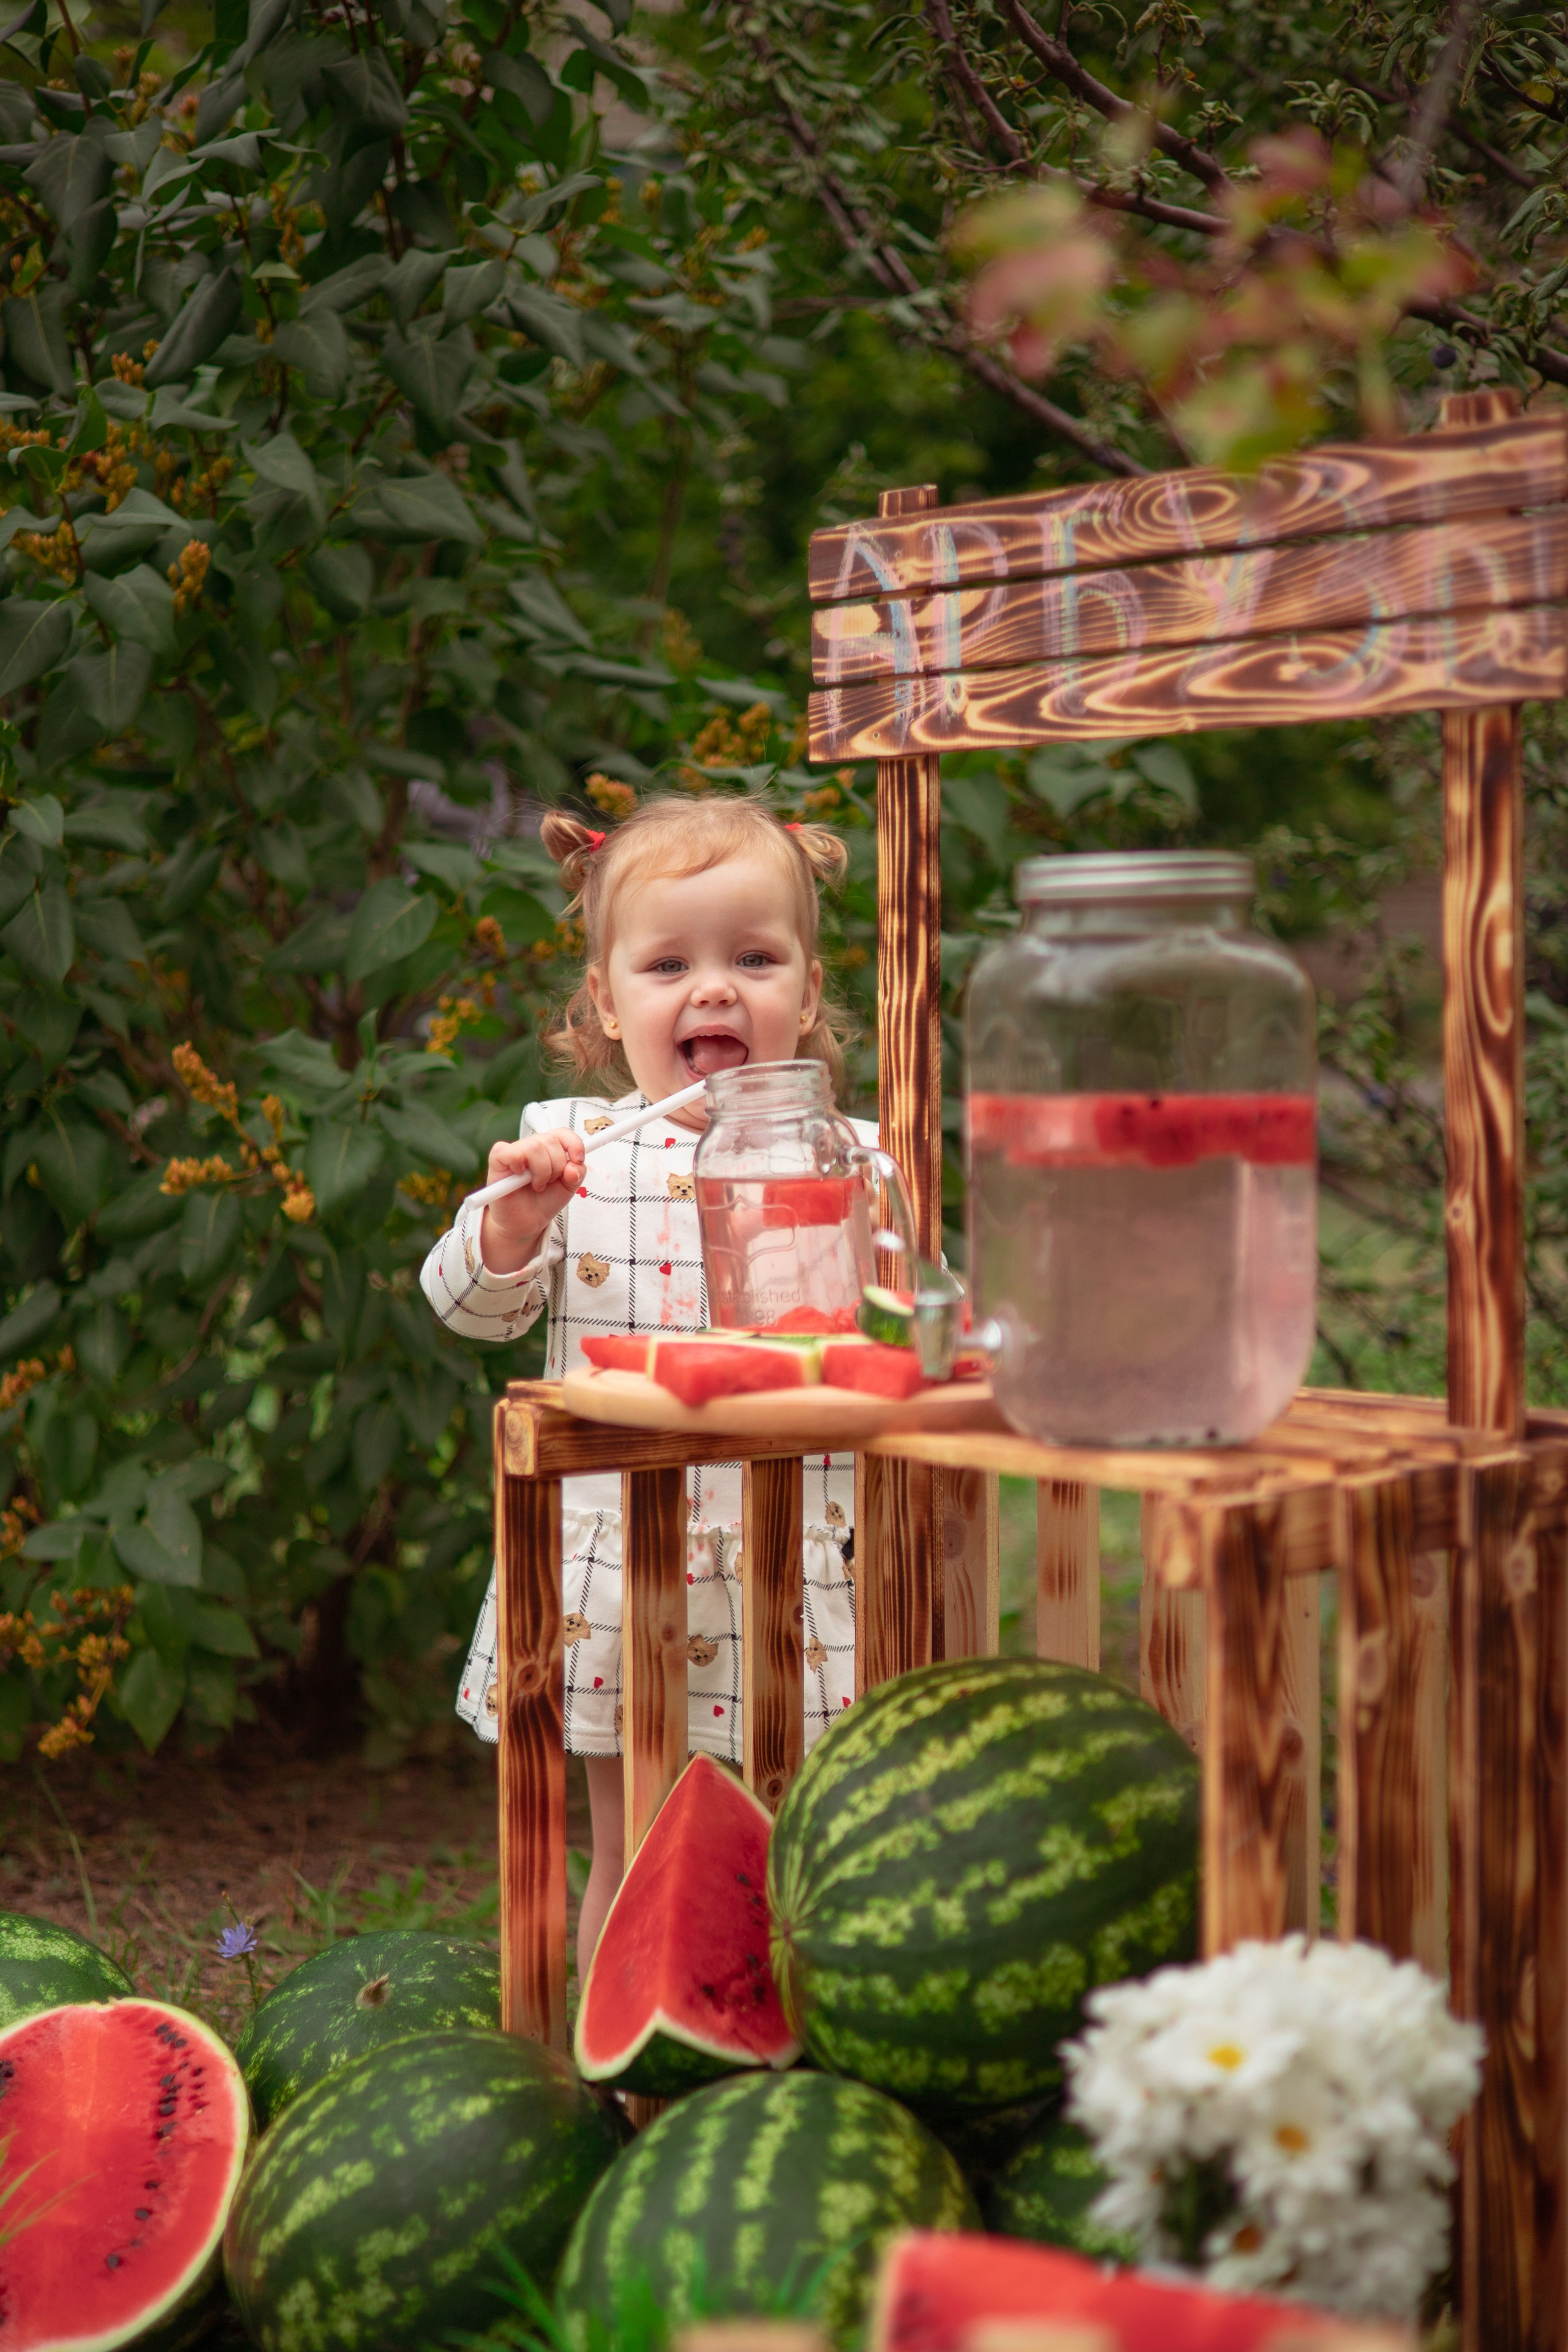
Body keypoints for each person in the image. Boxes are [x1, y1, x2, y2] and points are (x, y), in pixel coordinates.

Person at [420, 794, 867, 1975]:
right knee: (641, 1842)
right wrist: (514, 1218)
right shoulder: (574, 1148)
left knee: (800, 1836)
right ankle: (623, 2069)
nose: (713, 990)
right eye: (669, 963)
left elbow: (904, 1318)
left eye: (754, 959)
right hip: (628, 1568)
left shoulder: (848, 1152)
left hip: (803, 1550)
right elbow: (468, 1305)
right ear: (608, 1006)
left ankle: (787, 2048)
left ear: (808, 994)